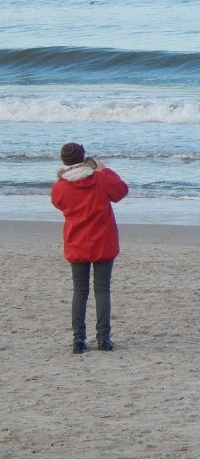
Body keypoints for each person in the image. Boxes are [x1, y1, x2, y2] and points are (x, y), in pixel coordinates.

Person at [51, 142, 128, 354]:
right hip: (103, 241)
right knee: (102, 290)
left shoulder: (60, 187)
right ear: (84, 158)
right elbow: (121, 191)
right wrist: (103, 169)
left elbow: (58, 203)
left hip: (77, 242)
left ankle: (79, 339)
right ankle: (103, 338)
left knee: (80, 291)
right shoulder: (100, 179)